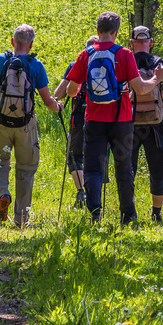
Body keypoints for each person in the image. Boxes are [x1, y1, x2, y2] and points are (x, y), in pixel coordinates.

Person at [65, 11, 163, 226]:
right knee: (123, 168)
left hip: (93, 119)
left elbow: (71, 91)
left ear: (97, 30)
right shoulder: (124, 54)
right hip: (121, 120)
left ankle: (95, 214)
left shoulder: (86, 54)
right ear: (117, 32)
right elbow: (139, 88)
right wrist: (157, 80)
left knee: (93, 169)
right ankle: (128, 216)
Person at [0, 24, 62, 227]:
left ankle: (2, 196)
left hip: (1, 123)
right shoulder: (36, 65)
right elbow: (48, 102)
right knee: (26, 169)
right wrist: (58, 107)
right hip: (26, 125)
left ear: (13, 42)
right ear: (31, 44)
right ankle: (21, 218)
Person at [129, 26, 163, 223]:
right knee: (158, 167)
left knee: (128, 168)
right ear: (150, 42)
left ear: (132, 43)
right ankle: (156, 213)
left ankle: (129, 211)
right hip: (155, 124)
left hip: (129, 124)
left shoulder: (125, 61)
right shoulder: (160, 64)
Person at [54, 35, 110, 209]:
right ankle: (95, 197)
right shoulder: (109, 63)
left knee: (75, 157)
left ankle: (81, 192)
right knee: (100, 158)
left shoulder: (76, 65)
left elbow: (59, 93)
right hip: (103, 118)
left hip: (79, 117)